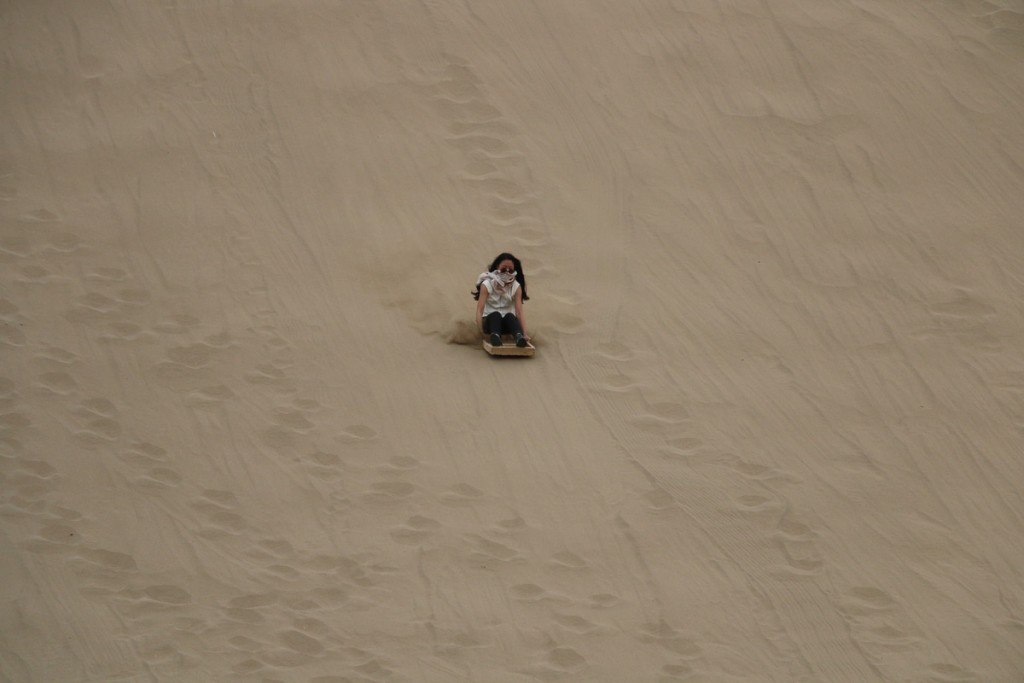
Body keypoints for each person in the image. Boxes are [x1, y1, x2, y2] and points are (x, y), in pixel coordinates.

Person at [472, 252, 531, 347]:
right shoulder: (487, 284)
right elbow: (479, 310)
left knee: (510, 316)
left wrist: (525, 333)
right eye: (503, 269)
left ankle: (519, 337)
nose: (507, 272)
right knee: (496, 315)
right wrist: (481, 332)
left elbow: (519, 312)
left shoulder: (516, 286)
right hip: (490, 325)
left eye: (510, 270)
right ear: (497, 267)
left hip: (507, 326)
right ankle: (495, 337)